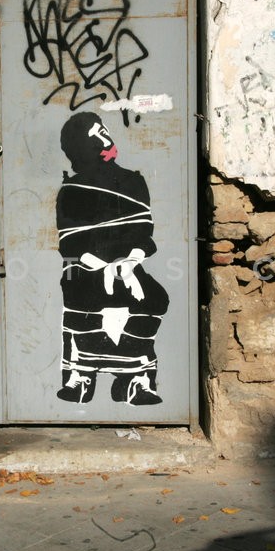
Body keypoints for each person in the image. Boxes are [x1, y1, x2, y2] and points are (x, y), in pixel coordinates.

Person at [55, 112, 169, 406]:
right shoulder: (72, 189)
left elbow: (143, 234)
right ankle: (82, 374)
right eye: (96, 134)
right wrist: (102, 267)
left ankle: (138, 377)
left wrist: (128, 264)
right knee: (82, 295)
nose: (105, 139)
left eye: (103, 131)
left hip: (128, 266)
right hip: (85, 268)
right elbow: (70, 243)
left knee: (154, 298)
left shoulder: (133, 182)